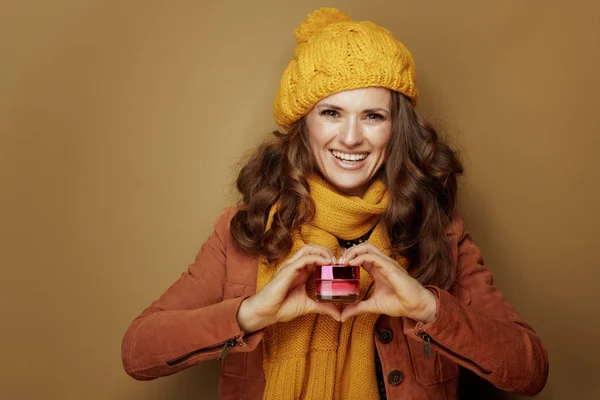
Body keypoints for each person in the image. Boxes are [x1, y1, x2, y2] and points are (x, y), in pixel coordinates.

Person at [121, 7, 548, 400]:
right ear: (302, 124)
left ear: (395, 130)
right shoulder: (244, 230)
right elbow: (138, 351)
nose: (350, 138)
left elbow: (530, 369)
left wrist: (428, 308)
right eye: (331, 113)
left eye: (372, 116)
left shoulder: (439, 231)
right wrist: (253, 313)